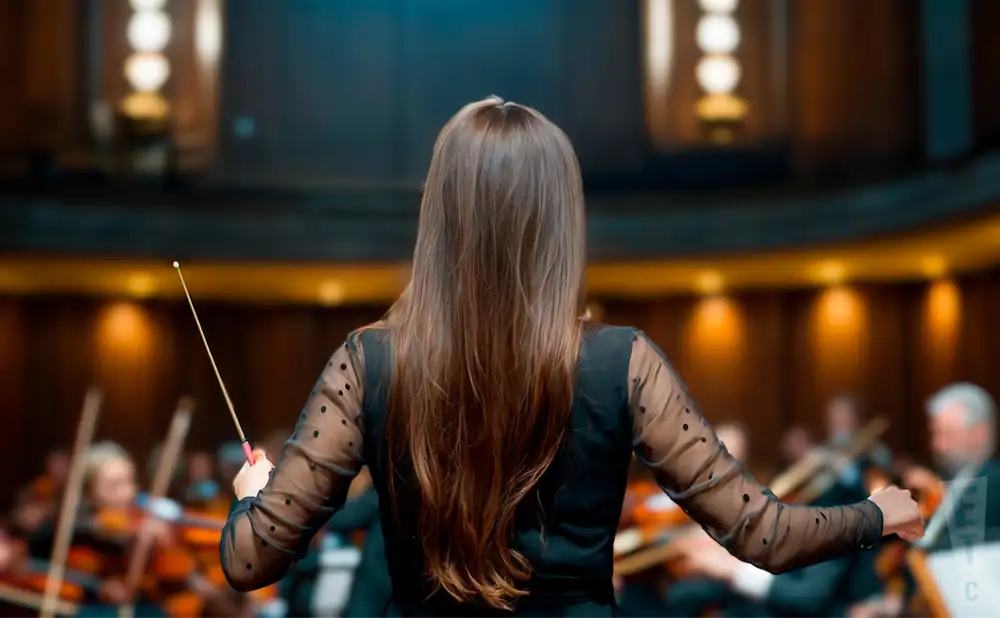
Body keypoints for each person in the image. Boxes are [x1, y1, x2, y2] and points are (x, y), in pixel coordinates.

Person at [218, 96, 923, 615]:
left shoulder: (366, 361)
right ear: (560, 219)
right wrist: (878, 512)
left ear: (440, 214)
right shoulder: (625, 362)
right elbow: (764, 535)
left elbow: (251, 561)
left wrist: (253, 500)